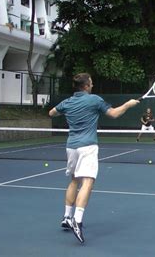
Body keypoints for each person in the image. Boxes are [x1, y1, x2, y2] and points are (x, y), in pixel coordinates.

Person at [49, 73, 139, 244]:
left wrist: (68, 112)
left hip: (71, 147)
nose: (92, 85)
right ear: (85, 86)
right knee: (88, 181)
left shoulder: (67, 102)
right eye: (91, 83)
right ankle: (77, 219)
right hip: (87, 146)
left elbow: (52, 113)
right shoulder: (94, 100)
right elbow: (113, 114)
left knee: (74, 181)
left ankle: (67, 217)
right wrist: (128, 104)